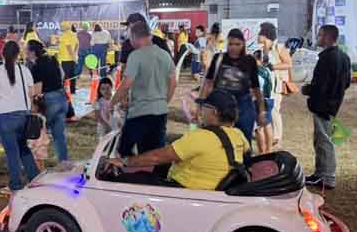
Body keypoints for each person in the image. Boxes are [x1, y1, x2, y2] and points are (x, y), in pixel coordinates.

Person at [105, 89, 250, 190]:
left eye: (204, 107)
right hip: (211, 185)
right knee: (157, 168)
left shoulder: (202, 137)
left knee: (128, 180)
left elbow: (157, 157)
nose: (200, 110)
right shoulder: (238, 135)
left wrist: (125, 161)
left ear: (215, 112)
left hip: (186, 189)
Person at [112, 22, 176, 157]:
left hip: (139, 112)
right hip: (160, 112)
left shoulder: (136, 56)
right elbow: (172, 82)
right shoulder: (165, 55)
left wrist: (111, 103)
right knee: (153, 154)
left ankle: (129, 176)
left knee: (124, 151)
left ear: (135, 37)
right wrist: (164, 101)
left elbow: (126, 84)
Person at [302, 25, 351, 189]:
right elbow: (347, 83)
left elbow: (320, 84)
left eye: (321, 35)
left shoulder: (326, 58)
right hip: (332, 104)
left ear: (329, 38)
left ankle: (327, 177)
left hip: (323, 105)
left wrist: (308, 90)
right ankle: (320, 174)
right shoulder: (344, 57)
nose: (318, 37)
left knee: (323, 140)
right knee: (321, 139)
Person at [0, 41, 40, 195]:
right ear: (18, 55)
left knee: (12, 152)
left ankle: (15, 185)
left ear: (2, 54)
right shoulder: (25, 71)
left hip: (5, 116)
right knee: (23, 149)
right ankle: (34, 179)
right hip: (22, 115)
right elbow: (31, 95)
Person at [201, 28, 267, 144]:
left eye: (238, 44)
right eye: (231, 44)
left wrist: (261, 111)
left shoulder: (249, 61)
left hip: (244, 108)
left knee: (243, 143)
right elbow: (208, 82)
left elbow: (256, 88)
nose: (234, 47)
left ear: (243, 44)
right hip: (220, 108)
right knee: (219, 142)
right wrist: (201, 104)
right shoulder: (219, 58)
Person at [26, 40, 69, 163]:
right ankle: (64, 162)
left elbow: (38, 91)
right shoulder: (52, 59)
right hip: (62, 97)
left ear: (33, 52)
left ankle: (37, 163)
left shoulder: (36, 67)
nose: (25, 54)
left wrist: (33, 105)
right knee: (59, 135)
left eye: (27, 51)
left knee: (38, 133)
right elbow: (63, 74)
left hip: (49, 100)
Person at [258, 22, 292, 148]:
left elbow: (289, 64)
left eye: (260, 33)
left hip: (276, 84)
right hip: (266, 85)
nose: (258, 35)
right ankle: (270, 136)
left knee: (274, 111)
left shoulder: (279, 47)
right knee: (267, 110)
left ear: (265, 35)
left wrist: (273, 67)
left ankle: (277, 138)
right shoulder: (263, 50)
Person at [253, 50, 275, 154]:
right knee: (267, 125)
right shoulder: (268, 70)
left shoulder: (258, 72)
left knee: (259, 128)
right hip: (269, 99)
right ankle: (269, 150)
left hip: (260, 101)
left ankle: (262, 152)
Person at [58, 22, 79, 94]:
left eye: (62, 26)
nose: (61, 28)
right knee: (72, 75)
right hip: (71, 59)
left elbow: (69, 47)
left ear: (65, 27)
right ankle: (72, 90)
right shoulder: (73, 34)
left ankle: (66, 91)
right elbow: (77, 44)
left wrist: (73, 56)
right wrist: (75, 55)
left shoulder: (64, 35)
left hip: (65, 59)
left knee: (66, 76)